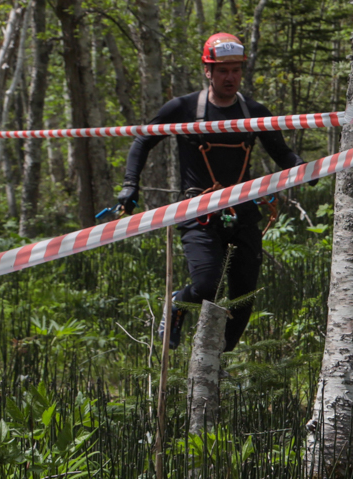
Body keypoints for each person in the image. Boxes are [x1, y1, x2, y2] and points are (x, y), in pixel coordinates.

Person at [115, 32, 305, 351]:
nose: (230, 77)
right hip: (198, 211)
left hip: (243, 213)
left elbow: (283, 155)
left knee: (244, 297)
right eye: (222, 70)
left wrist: (303, 168)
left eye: (235, 70)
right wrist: (130, 185)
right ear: (208, 71)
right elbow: (142, 140)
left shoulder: (255, 112)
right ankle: (178, 303)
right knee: (206, 285)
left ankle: (218, 358)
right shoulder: (182, 108)